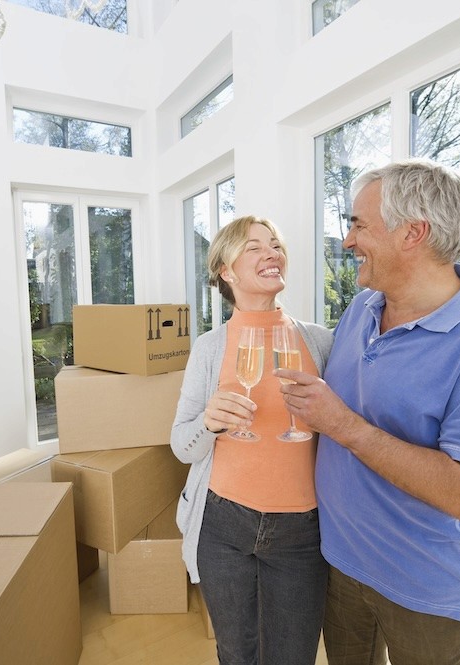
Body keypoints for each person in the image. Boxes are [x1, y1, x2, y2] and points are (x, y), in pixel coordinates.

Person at [276, 159, 460, 665]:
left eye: (359, 225)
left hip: (431, 592)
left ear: (412, 233)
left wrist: (343, 426)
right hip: (342, 565)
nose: (348, 241)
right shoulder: (363, 308)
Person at [171, 215, 334, 665]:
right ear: (226, 270)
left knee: (293, 655)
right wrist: (209, 423)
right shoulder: (209, 348)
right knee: (236, 653)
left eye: (275, 244)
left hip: (302, 529)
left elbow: (341, 429)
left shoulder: (320, 342)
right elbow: (181, 445)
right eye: (254, 247)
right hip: (222, 523)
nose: (272, 253)